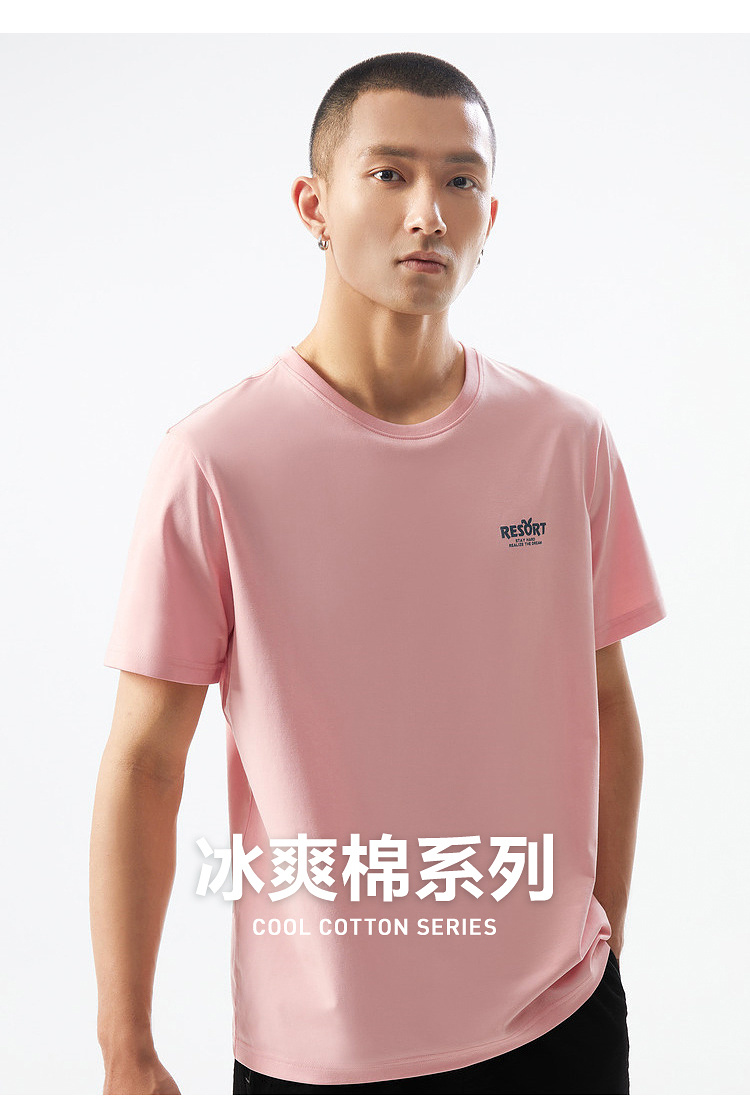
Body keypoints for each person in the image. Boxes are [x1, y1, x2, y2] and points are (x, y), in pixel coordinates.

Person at [90, 51, 667, 1096]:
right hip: (323, 1056)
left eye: (460, 180)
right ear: (313, 204)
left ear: (492, 213)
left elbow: (609, 706)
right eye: (390, 173)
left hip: (560, 1025)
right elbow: (143, 764)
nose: (428, 214)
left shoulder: (566, 441)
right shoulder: (215, 462)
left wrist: (603, 941)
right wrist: (126, 1048)